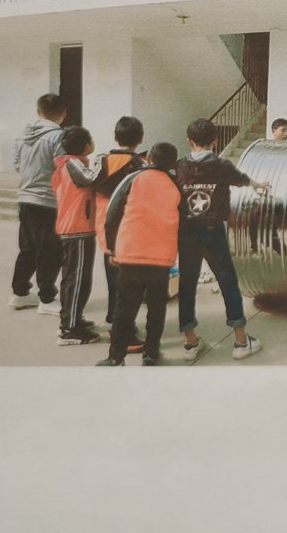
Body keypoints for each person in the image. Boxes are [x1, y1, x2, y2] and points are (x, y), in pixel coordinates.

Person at [175, 118, 270, 361]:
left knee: (187, 285)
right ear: (215, 141)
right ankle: (241, 341)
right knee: (228, 282)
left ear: (189, 141)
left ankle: (190, 343)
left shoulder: (180, 166)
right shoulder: (221, 165)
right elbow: (241, 179)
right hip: (212, 232)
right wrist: (258, 185)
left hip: (186, 233)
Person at [96, 142, 181, 367]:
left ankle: (116, 357)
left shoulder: (134, 178)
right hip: (161, 259)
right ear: (172, 163)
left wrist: (112, 248)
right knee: (157, 307)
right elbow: (183, 221)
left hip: (131, 253)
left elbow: (112, 212)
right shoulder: (176, 184)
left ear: (149, 158)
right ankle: (151, 353)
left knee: (124, 308)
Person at [92, 116, 147, 351]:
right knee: (130, 287)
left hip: (105, 232)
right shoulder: (140, 165)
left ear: (116, 137)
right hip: (128, 234)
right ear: (140, 139)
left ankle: (115, 321)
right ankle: (123, 335)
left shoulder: (102, 160)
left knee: (114, 283)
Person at [8, 93, 66, 314]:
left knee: (28, 247)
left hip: (25, 198)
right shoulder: (58, 137)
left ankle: (20, 294)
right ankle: (47, 299)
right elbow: (64, 168)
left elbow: (17, 165)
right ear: (63, 114)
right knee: (50, 251)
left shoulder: (22, 136)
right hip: (47, 201)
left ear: (37, 111)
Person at [51, 126, 101, 346]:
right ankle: (69, 329)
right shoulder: (73, 163)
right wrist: (103, 161)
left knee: (77, 279)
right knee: (76, 280)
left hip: (78, 228)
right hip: (76, 229)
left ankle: (73, 318)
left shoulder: (71, 163)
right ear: (86, 145)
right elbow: (92, 179)